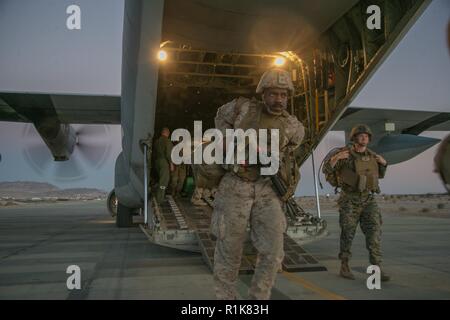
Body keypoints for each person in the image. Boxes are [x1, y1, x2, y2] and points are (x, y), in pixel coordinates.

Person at [211, 68, 305, 300]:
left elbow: (294, 145)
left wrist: (273, 156)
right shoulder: (242, 108)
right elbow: (220, 116)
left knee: (274, 252)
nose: (279, 100)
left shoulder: (293, 125)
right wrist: (230, 140)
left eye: (283, 95)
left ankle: (258, 299)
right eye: (273, 94)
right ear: (263, 94)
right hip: (236, 184)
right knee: (229, 250)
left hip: (267, 188)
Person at [322, 124, 390, 281]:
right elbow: (327, 170)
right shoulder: (345, 156)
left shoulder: (373, 157)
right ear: (354, 138)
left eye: (366, 135)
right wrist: (336, 158)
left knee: (374, 234)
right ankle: (344, 266)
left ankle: (376, 269)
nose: (364, 137)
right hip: (349, 200)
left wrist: (384, 164)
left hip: (368, 199)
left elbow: (378, 175)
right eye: (361, 135)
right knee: (348, 234)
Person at [153, 127, 174, 204]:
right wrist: (171, 163)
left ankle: (158, 195)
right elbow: (169, 154)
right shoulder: (167, 141)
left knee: (160, 179)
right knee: (164, 181)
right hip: (164, 162)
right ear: (167, 133)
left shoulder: (156, 141)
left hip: (157, 162)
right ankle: (160, 199)